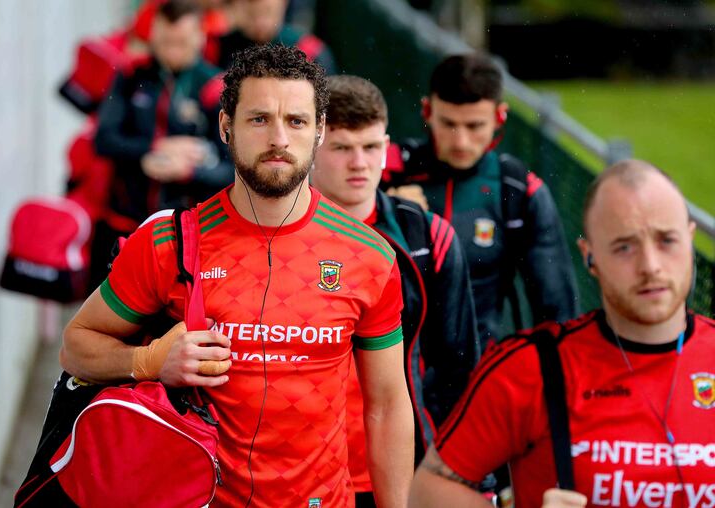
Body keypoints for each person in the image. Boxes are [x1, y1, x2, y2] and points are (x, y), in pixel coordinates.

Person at [62, 44, 414, 507]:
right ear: (226, 126)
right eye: (259, 119)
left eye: (296, 121)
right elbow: (76, 346)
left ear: (320, 130)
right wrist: (149, 361)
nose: (279, 139)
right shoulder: (170, 242)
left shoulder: (370, 256)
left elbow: (387, 407)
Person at [409, 159, 715, 507]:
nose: (650, 266)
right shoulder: (529, 367)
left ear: (690, 239)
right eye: (624, 247)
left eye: (666, 240)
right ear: (590, 257)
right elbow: (428, 489)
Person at [309, 75, 480, 506]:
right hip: (299, 472)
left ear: (387, 146)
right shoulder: (275, 235)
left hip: (399, 470)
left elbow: (458, 367)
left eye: (371, 148)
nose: (359, 163)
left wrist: (475, 476)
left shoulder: (427, 237)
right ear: (311, 149)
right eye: (342, 148)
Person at [383, 53, 579, 344]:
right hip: (390, 370)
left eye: (475, 126)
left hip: (480, 372)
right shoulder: (381, 174)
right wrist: (383, 214)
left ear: (500, 117)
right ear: (427, 111)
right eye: (448, 123)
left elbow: (557, 312)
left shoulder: (518, 192)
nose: (461, 141)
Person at [91, 0, 234, 289]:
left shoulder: (215, 88)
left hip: (188, 233)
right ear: (153, 35)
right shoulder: (131, 75)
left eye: (180, 42)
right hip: (125, 222)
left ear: (199, 37)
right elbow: (103, 140)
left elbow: (232, 168)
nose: (171, 51)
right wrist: (152, 150)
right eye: (165, 41)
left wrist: (189, 171)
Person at [204, 0, 336, 75]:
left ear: (283, 5)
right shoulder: (216, 48)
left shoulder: (308, 50)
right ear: (234, 8)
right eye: (252, 15)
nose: (260, 23)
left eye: (267, 12)